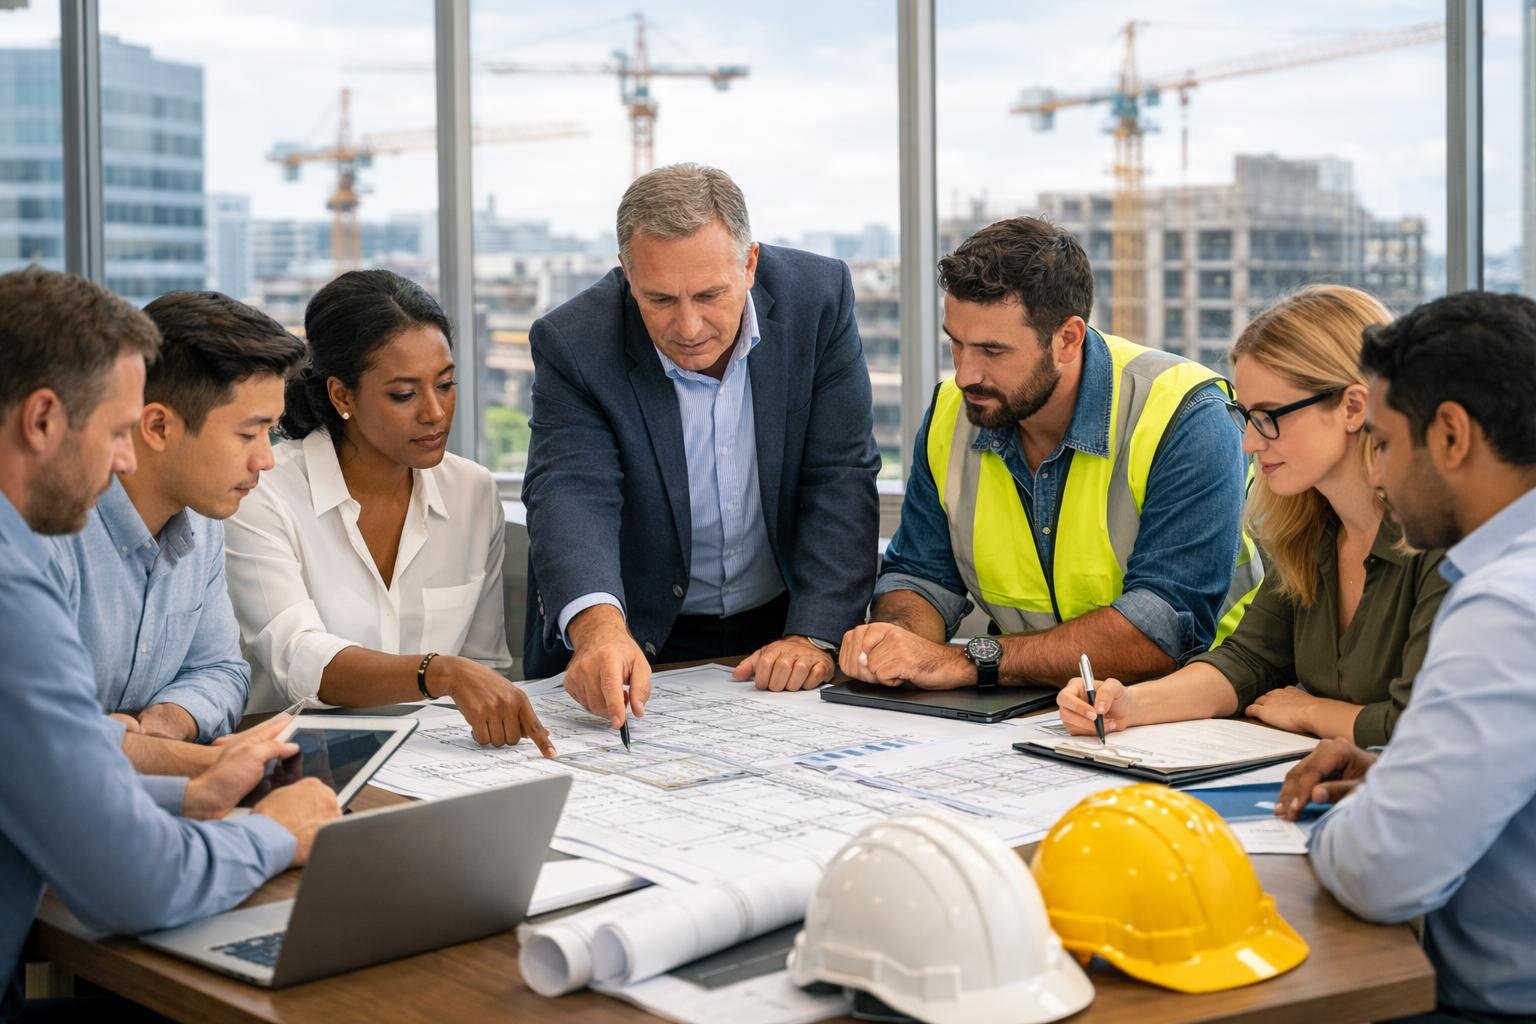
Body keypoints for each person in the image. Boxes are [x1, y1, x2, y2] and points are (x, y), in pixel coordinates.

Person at [0, 267, 338, 1020]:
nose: (124, 463)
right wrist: (268, 835)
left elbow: (217, 670)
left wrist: (182, 789)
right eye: (116, 433)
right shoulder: (16, 571)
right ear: (44, 420)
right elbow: (131, 884)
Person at [522, 163, 880, 728]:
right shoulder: (575, 341)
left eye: (710, 295)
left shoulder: (818, 300)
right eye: (659, 299)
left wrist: (816, 633)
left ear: (750, 264)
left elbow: (839, 475)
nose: (688, 326)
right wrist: (598, 630)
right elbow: (571, 493)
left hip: (782, 633)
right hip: (632, 638)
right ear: (626, 274)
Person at [840, 217, 1259, 691]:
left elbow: (1161, 629)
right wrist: (899, 643)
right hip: (1032, 701)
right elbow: (921, 576)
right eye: (955, 344)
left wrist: (965, 662)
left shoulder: (1186, 414)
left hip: (1200, 706)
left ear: (1067, 339)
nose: (964, 375)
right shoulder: (953, 412)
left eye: (992, 351)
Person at [1276, 291, 1536, 1021]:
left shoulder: (1507, 606)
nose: (1379, 475)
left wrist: (1348, 827)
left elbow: (1382, 871)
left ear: (1451, 435)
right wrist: (1400, 775)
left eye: (1385, 444)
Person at [1056, 285, 1449, 746]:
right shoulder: (1308, 529)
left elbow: (1427, 725)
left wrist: (1310, 710)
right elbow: (1249, 661)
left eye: (1269, 417)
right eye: (1245, 416)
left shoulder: (1443, 538)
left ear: (1353, 407)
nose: (1250, 443)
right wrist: (1127, 704)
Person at [224, 270, 552, 753]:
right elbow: (299, 660)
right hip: (298, 760)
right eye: (404, 394)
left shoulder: (472, 492)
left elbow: (484, 667)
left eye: (445, 384)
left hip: (435, 760)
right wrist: (436, 671)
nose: (435, 413)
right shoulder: (262, 494)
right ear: (342, 396)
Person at [46, 291, 305, 757]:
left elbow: (222, 671)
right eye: (248, 433)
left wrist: (167, 723)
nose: (266, 459)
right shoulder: (52, 532)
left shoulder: (202, 523)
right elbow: (47, 738)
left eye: (273, 431)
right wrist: (205, 767)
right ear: (159, 427)